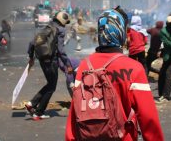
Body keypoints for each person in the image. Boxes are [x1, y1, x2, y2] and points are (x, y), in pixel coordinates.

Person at [65, 8, 164, 141]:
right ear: (121, 33)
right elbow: (149, 120)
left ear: (100, 33)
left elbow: (74, 114)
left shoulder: (84, 66)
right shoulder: (134, 69)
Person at [25, 11, 73, 121]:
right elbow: (61, 50)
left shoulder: (48, 27)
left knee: (50, 85)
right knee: (52, 87)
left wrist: (31, 58)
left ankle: (32, 104)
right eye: (65, 23)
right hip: (52, 61)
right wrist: (67, 64)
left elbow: (32, 43)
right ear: (62, 21)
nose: (65, 25)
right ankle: (38, 111)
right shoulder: (60, 30)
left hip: (42, 60)